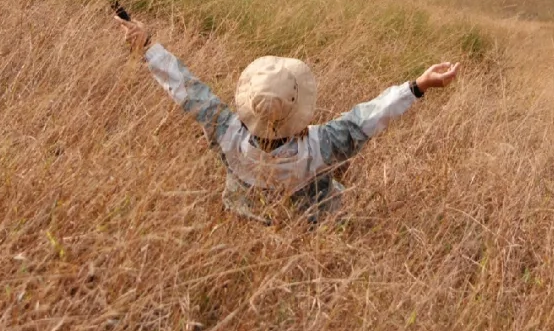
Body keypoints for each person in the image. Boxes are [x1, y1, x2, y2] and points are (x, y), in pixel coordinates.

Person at [123, 19, 459, 222]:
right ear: (297, 111)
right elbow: (370, 116)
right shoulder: (321, 146)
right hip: (307, 227)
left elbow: (188, 92)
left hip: (241, 219)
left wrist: (147, 47)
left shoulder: (227, 134)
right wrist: (418, 86)